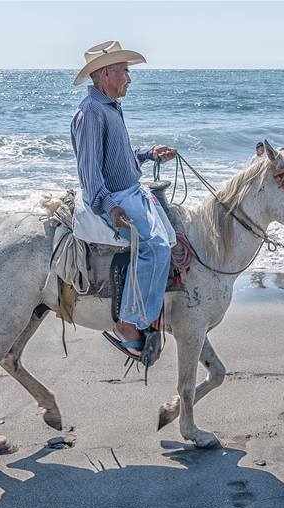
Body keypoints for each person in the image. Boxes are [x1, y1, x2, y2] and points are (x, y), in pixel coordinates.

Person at [71, 40, 177, 357]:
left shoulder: (109, 108)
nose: (129, 79)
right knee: (155, 247)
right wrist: (109, 205)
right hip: (114, 197)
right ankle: (128, 323)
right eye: (125, 71)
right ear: (106, 74)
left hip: (130, 189)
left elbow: (116, 157)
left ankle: (150, 310)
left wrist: (147, 153)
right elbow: (90, 172)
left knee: (173, 234)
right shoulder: (91, 113)